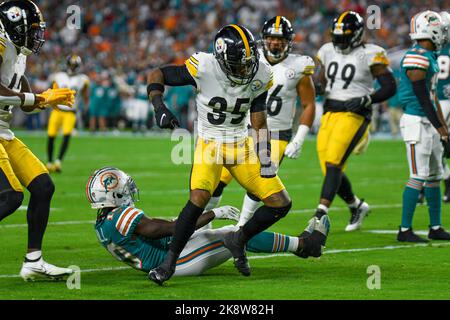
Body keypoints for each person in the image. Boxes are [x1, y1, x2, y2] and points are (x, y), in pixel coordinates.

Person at [146, 24, 330, 285]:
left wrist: (265, 158)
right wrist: (158, 105)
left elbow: (258, 121)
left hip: (240, 145)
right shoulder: (204, 66)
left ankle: (239, 238)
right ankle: (169, 262)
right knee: (199, 198)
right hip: (210, 145)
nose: (246, 68)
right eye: (239, 64)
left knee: (280, 202)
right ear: (221, 60)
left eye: (248, 61)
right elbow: (158, 73)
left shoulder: (261, 72)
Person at [86, 167, 328, 278]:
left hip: (166, 255)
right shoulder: (120, 216)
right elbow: (167, 229)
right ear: (112, 194)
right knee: (232, 234)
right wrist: (214, 212)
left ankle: (304, 244)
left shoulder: (102, 225)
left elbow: (164, 230)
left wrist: (193, 221)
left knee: (227, 234)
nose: (129, 190)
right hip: (177, 262)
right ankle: (306, 246)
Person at [205, 16, 317, 228]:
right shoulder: (249, 60)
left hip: (277, 134)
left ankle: (241, 229)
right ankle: (204, 226)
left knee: (261, 181)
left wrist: (299, 139)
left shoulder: (299, 66)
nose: (275, 43)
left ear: (289, 41)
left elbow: (309, 104)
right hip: (245, 130)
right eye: (271, 38)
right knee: (219, 179)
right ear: (264, 39)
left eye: (280, 39)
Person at [0, 0, 75, 280]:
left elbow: (22, 95)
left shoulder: (19, 51)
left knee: (43, 187)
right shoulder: (0, 43)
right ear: (15, 24)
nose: (37, 35)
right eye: (32, 29)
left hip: (4, 131)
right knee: (10, 197)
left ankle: (33, 260)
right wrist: (37, 98)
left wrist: (48, 100)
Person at [314, 11, 396, 231]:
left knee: (334, 163)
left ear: (357, 34)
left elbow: (390, 86)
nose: (339, 41)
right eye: (337, 36)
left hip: (354, 114)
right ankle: (356, 205)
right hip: (329, 113)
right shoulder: (327, 50)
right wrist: (317, 86)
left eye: (344, 36)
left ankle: (319, 214)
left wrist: (367, 99)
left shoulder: (372, 53)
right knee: (328, 168)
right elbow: (322, 80)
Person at [397, 10, 450, 242]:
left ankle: (435, 227)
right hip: (416, 122)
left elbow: (433, 97)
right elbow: (421, 97)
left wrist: (443, 128)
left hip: (428, 121)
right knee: (417, 175)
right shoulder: (416, 55)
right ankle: (404, 230)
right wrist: (439, 126)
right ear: (431, 29)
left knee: (435, 176)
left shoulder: (427, 55)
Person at [46, 54, 89, 172]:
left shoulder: (83, 79)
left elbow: (85, 95)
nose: (73, 67)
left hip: (71, 112)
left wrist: (85, 107)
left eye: (75, 65)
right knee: (51, 136)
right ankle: (49, 162)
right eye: (72, 65)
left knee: (66, 136)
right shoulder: (59, 76)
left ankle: (58, 161)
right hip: (57, 110)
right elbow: (51, 91)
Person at [436, 12, 450, 202]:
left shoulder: (430, 48)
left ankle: (447, 183)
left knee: (437, 148)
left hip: (437, 102)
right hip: (442, 100)